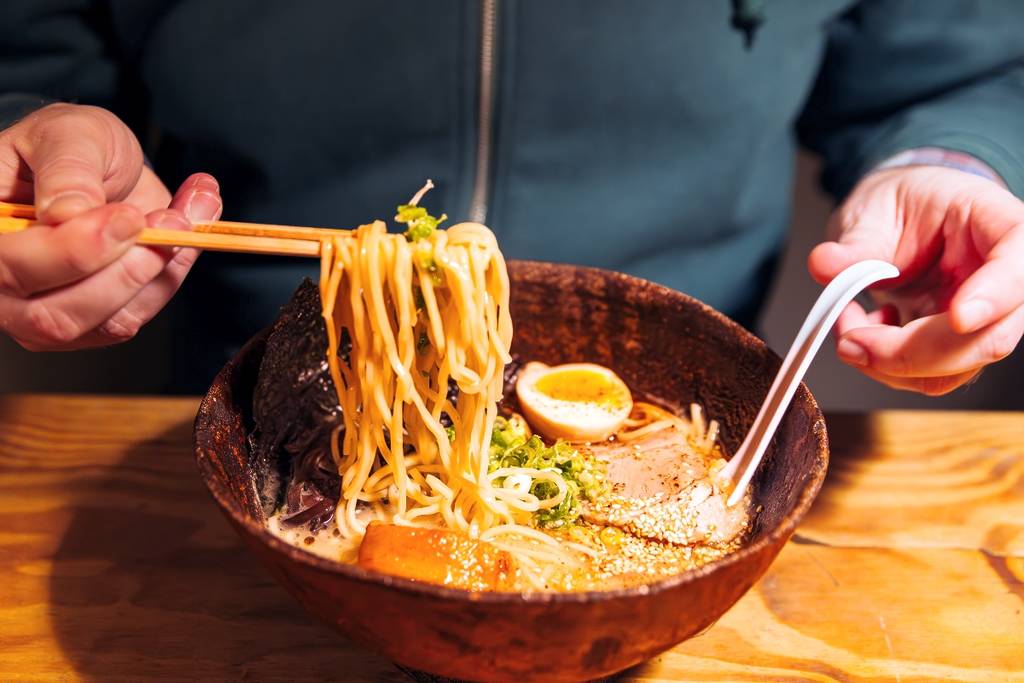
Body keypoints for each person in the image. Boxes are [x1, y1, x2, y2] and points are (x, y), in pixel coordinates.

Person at [1, 1, 1022, 395]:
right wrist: (31, 128)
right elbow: (32, 41)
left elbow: (952, 67)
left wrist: (952, 163)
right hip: (221, 395)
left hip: (672, 402)